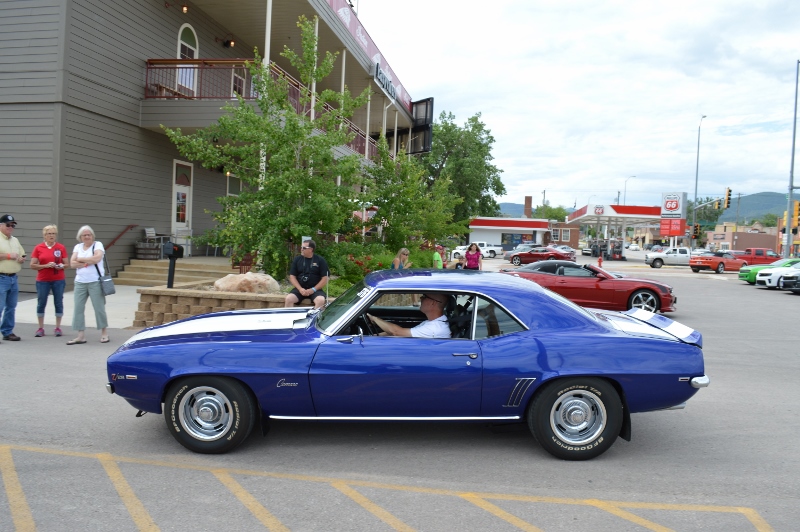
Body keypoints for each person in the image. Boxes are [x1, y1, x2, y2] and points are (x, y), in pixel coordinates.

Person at [68, 225, 108, 344]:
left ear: (92, 236)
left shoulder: (98, 245)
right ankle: (80, 335)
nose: (87, 237)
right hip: (80, 282)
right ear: (80, 237)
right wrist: (86, 262)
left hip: (95, 281)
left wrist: (80, 259)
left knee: (99, 308)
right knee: (78, 308)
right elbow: (72, 263)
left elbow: (97, 258)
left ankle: (104, 333)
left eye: (89, 234)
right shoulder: (78, 246)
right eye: (84, 235)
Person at [30, 224, 70, 337]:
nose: (52, 236)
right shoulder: (38, 248)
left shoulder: (61, 247)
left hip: (58, 279)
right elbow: (32, 265)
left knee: (58, 302)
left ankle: (58, 327)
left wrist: (61, 266)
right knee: (41, 302)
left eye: (53, 233)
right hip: (43, 280)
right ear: (45, 235)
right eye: (49, 233)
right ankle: (40, 328)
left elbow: (67, 264)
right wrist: (46, 265)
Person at [367, 293, 451, 338]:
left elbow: (396, 332)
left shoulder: (434, 329)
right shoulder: (433, 322)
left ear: (433, 303)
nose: (421, 298)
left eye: (425, 296)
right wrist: (374, 337)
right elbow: (399, 333)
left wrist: (375, 319)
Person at [0, 214, 26, 342]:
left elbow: (22, 253)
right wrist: (9, 256)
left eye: (13, 225)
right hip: (1, 277)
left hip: (13, 278)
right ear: (1, 225)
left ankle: (7, 331)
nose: (11, 227)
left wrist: (22, 258)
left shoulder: (15, 240)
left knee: (11, 307)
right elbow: (9, 255)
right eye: (8, 225)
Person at [285, 239, 329, 310]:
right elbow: (292, 276)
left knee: (320, 300)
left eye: (304, 248)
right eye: (301, 247)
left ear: (311, 249)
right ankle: (289, 319)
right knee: (289, 299)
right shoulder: (297, 260)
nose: (301, 249)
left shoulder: (320, 260)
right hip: (300, 288)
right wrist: (300, 289)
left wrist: (313, 289)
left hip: (315, 289)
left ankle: (314, 319)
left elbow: (325, 278)